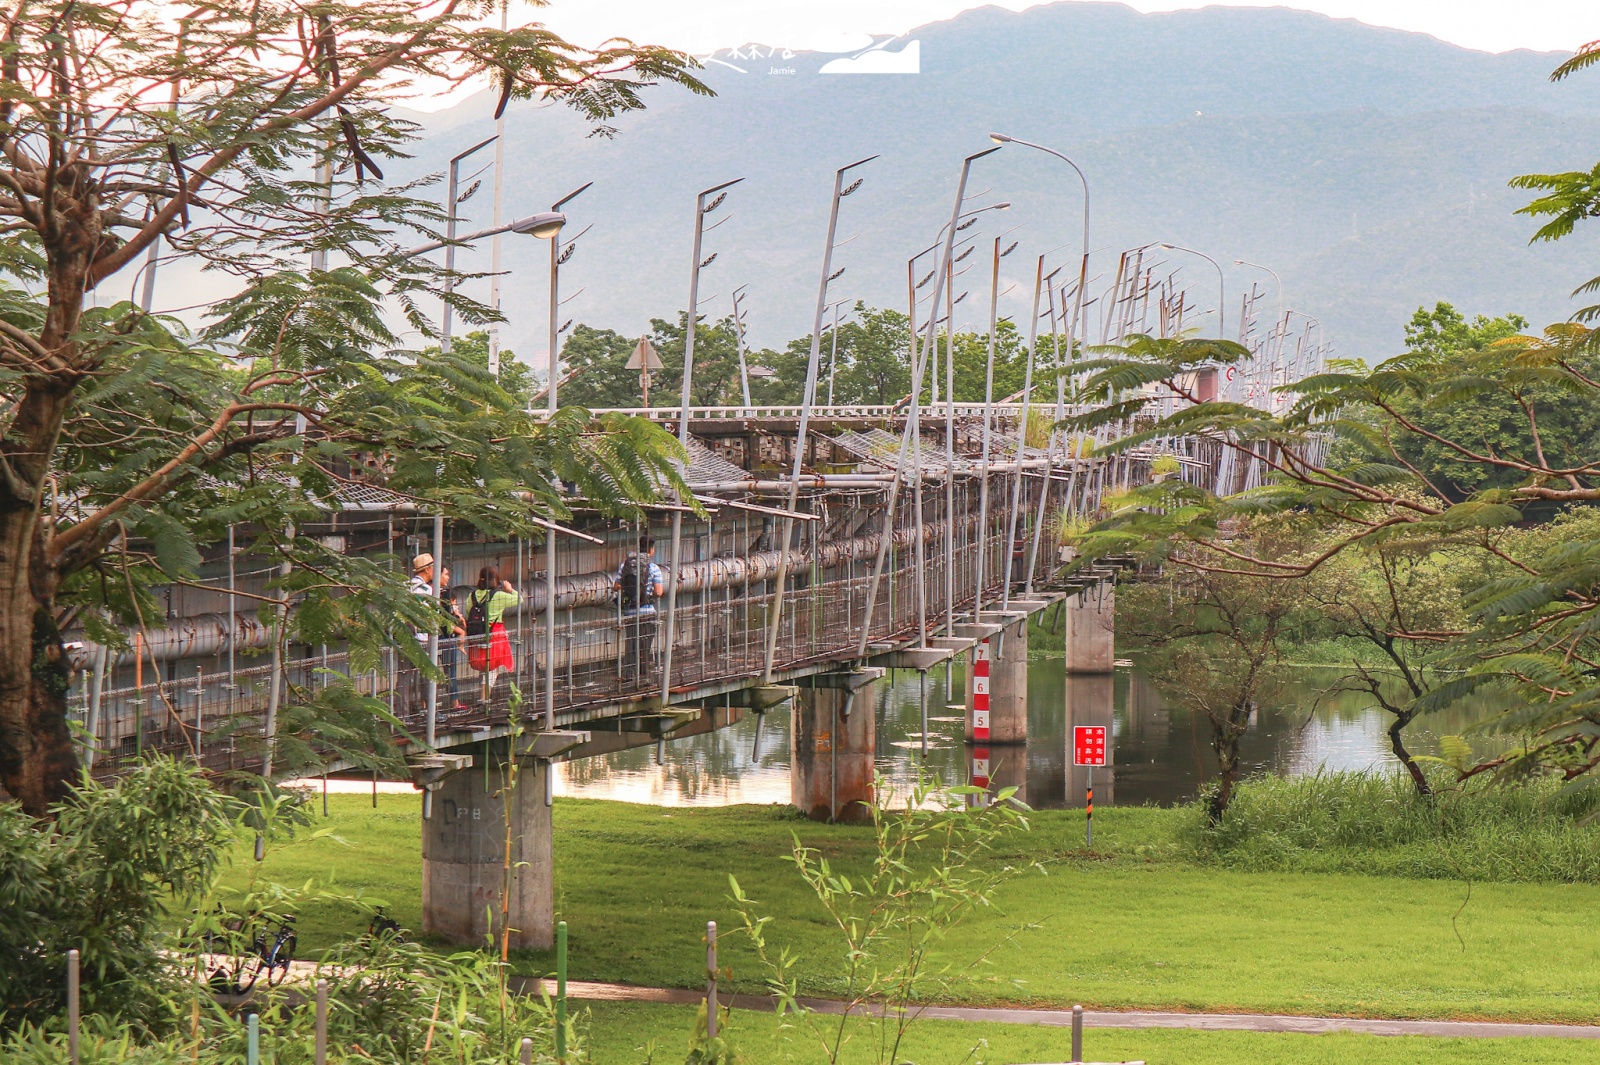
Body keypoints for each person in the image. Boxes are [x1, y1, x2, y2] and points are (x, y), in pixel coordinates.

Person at [614, 534, 665, 683]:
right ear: (651, 550)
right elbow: (659, 592)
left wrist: (631, 591)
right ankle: (643, 676)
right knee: (645, 645)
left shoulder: (625, 565)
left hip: (630, 612)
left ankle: (629, 675)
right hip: (647, 612)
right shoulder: (654, 568)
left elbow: (616, 586)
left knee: (631, 643)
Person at [465, 566, 520, 700]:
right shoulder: (498, 595)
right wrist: (510, 589)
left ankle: (483, 697)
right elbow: (519, 599)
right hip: (494, 634)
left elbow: (468, 613)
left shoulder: (471, 596)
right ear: (495, 580)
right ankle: (484, 699)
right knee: (492, 668)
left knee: (484, 666)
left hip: (476, 635)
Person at [437, 566, 467, 710]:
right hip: (445, 638)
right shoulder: (445, 596)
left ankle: (426, 706)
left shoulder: (437, 594)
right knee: (450, 672)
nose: (448, 577)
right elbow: (445, 621)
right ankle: (454, 703)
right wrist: (460, 629)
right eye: (446, 574)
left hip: (440, 638)